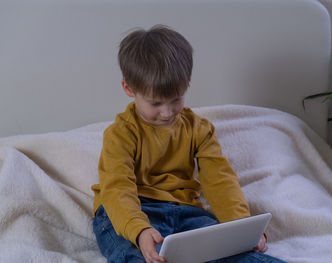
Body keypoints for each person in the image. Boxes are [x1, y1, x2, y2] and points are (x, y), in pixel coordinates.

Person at [91, 24, 285, 263]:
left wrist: (243, 229)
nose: (167, 113)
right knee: (137, 255)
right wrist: (139, 230)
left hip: (186, 212)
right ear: (129, 89)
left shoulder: (199, 129)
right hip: (131, 213)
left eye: (176, 99)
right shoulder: (120, 134)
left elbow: (220, 180)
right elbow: (117, 188)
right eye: (155, 103)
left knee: (236, 253)